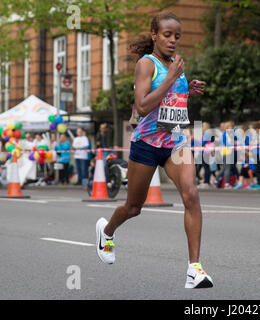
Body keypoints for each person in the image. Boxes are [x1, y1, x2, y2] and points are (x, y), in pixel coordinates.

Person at [95, 11, 213, 289]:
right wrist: (172, 78)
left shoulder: (176, 64)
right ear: (154, 36)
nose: (173, 41)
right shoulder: (146, 65)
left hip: (174, 142)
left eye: (177, 36)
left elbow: (174, 100)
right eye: (167, 35)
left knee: (192, 195)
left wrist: (188, 88)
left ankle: (193, 269)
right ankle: (106, 231)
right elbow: (144, 106)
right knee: (134, 207)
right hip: (147, 144)